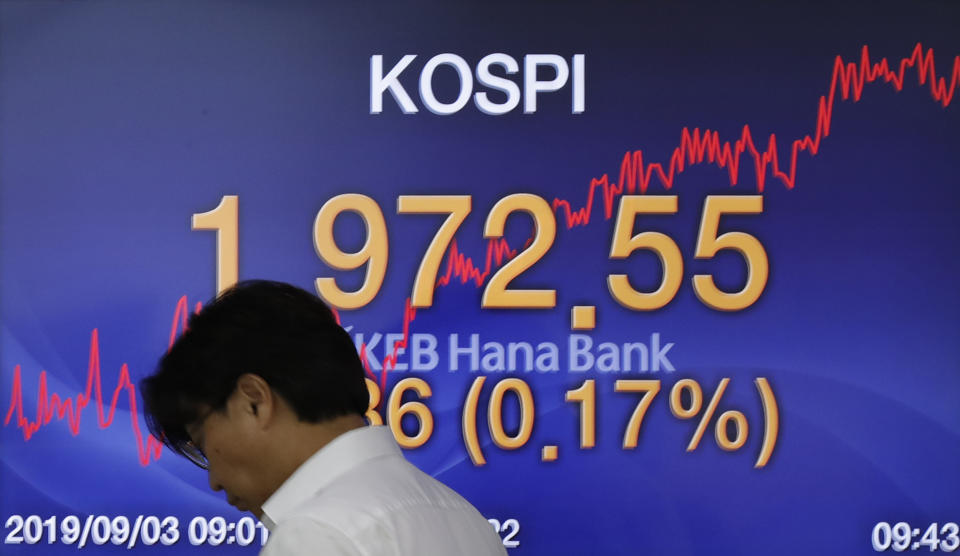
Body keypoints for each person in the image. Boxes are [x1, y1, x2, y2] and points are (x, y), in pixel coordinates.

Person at [141, 280, 507, 556]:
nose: (214, 481)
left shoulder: (316, 536)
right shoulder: (465, 518)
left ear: (254, 401)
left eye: (203, 442)